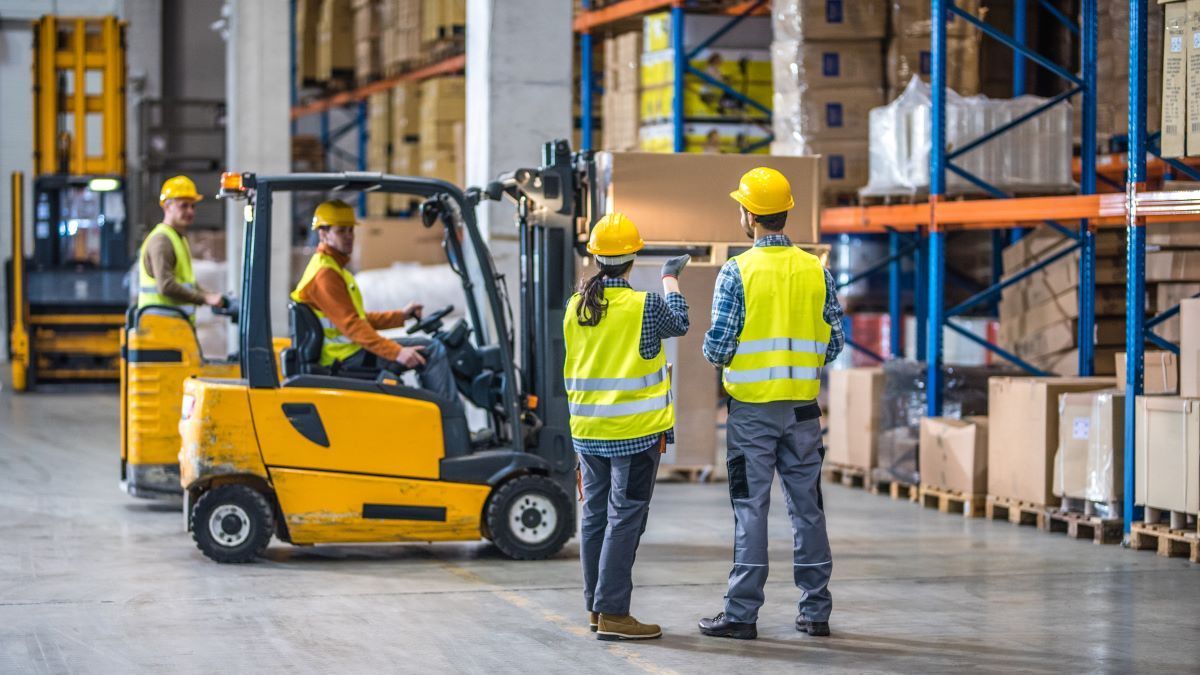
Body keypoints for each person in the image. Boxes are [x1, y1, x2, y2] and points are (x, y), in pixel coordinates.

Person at [697, 167, 844, 640]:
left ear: (748, 214)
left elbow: (718, 349)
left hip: (752, 414)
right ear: (786, 213)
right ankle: (816, 611)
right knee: (808, 508)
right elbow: (835, 343)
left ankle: (742, 614)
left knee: (750, 508)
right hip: (803, 411)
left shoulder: (736, 272)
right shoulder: (816, 269)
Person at [563, 212, 690, 642]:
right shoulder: (646, 305)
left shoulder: (575, 307)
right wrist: (670, 278)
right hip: (635, 434)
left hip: (588, 432)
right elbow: (681, 323)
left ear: (595, 256)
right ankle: (615, 613)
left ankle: (596, 610)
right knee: (625, 519)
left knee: (595, 517)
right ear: (633, 257)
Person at [290, 199, 461, 411]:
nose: (349, 236)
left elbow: (358, 319)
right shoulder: (326, 274)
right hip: (345, 359)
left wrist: (401, 316)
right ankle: (450, 423)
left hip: (348, 353)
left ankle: (437, 417)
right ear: (324, 234)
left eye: (351, 230)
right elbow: (353, 326)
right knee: (431, 350)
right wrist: (397, 353)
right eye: (341, 231)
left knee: (424, 347)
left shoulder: (333, 268)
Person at [137, 175, 226, 318]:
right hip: (160, 328)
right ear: (167, 206)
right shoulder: (162, 240)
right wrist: (204, 299)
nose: (190, 211)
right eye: (184, 205)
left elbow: (186, 283)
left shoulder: (178, 238)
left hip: (174, 328)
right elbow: (166, 286)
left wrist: (208, 294)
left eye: (193, 206)